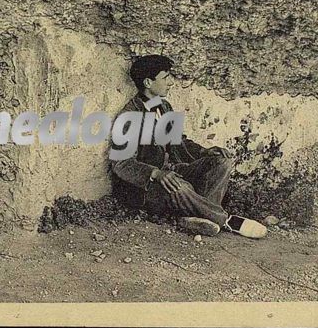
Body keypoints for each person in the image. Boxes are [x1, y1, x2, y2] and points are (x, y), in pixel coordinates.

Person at [110, 55, 267, 239]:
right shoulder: (129, 116)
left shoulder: (164, 107)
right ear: (148, 82)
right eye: (165, 77)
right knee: (180, 187)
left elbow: (179, 142)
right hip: (144, 190)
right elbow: (121, 164)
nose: (171, 82)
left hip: (172, 173)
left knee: (222, 162)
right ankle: (226, 220)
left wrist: (204, 152)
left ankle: (195, 218)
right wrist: (155, 173)